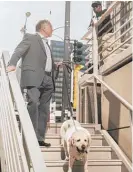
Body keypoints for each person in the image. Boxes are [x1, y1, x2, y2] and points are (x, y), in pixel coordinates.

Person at [7, 19, 62, 147]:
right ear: (44, 28)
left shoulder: (47, 44)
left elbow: (44, 61)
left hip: (48, 78)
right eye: (51, 27)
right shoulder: (31, 38)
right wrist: (12, 64)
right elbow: (18, 50)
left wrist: (55, 65)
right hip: (34, 77)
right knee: (33, 103)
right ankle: (30, 136)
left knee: (44, 108)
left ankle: (39, 138)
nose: (52, 29)